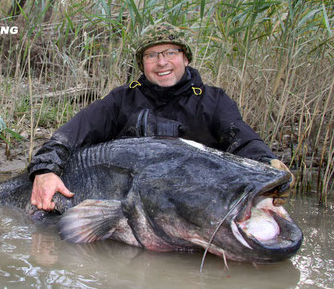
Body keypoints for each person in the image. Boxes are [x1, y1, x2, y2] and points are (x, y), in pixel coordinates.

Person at [28, 22, 293, 211]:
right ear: (142, 64)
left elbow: (243, 141)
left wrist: (266, 166)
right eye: (151, 55)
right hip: (130, 205)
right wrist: (45, 170)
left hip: (193, 206)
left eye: (170, 53)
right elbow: (72, 133)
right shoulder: (121, 99)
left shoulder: (213, 101)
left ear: (186, 58)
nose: (162, 62)